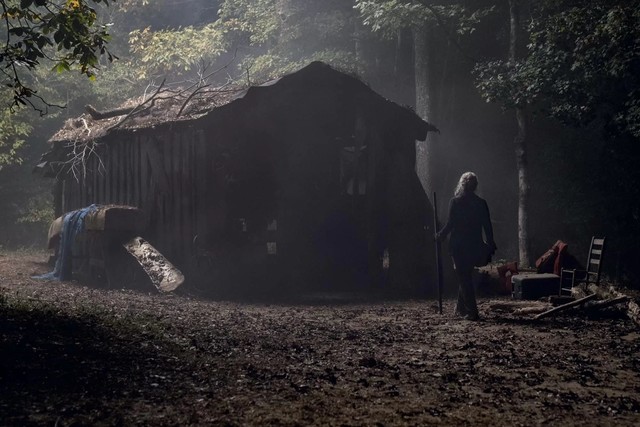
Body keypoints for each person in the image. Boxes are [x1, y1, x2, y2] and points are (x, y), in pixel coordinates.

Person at [436, 172, 496, 320]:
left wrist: (440, 235)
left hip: (459, 246)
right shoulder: (481, 203)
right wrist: (490, 243)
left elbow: (451, 224)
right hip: (475, 245)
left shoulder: (455, 202)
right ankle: (461, 308)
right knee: (465, 275)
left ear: (462, 185)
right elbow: (487, 226)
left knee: (464, 277)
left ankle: (472, 312)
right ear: (475, 186)